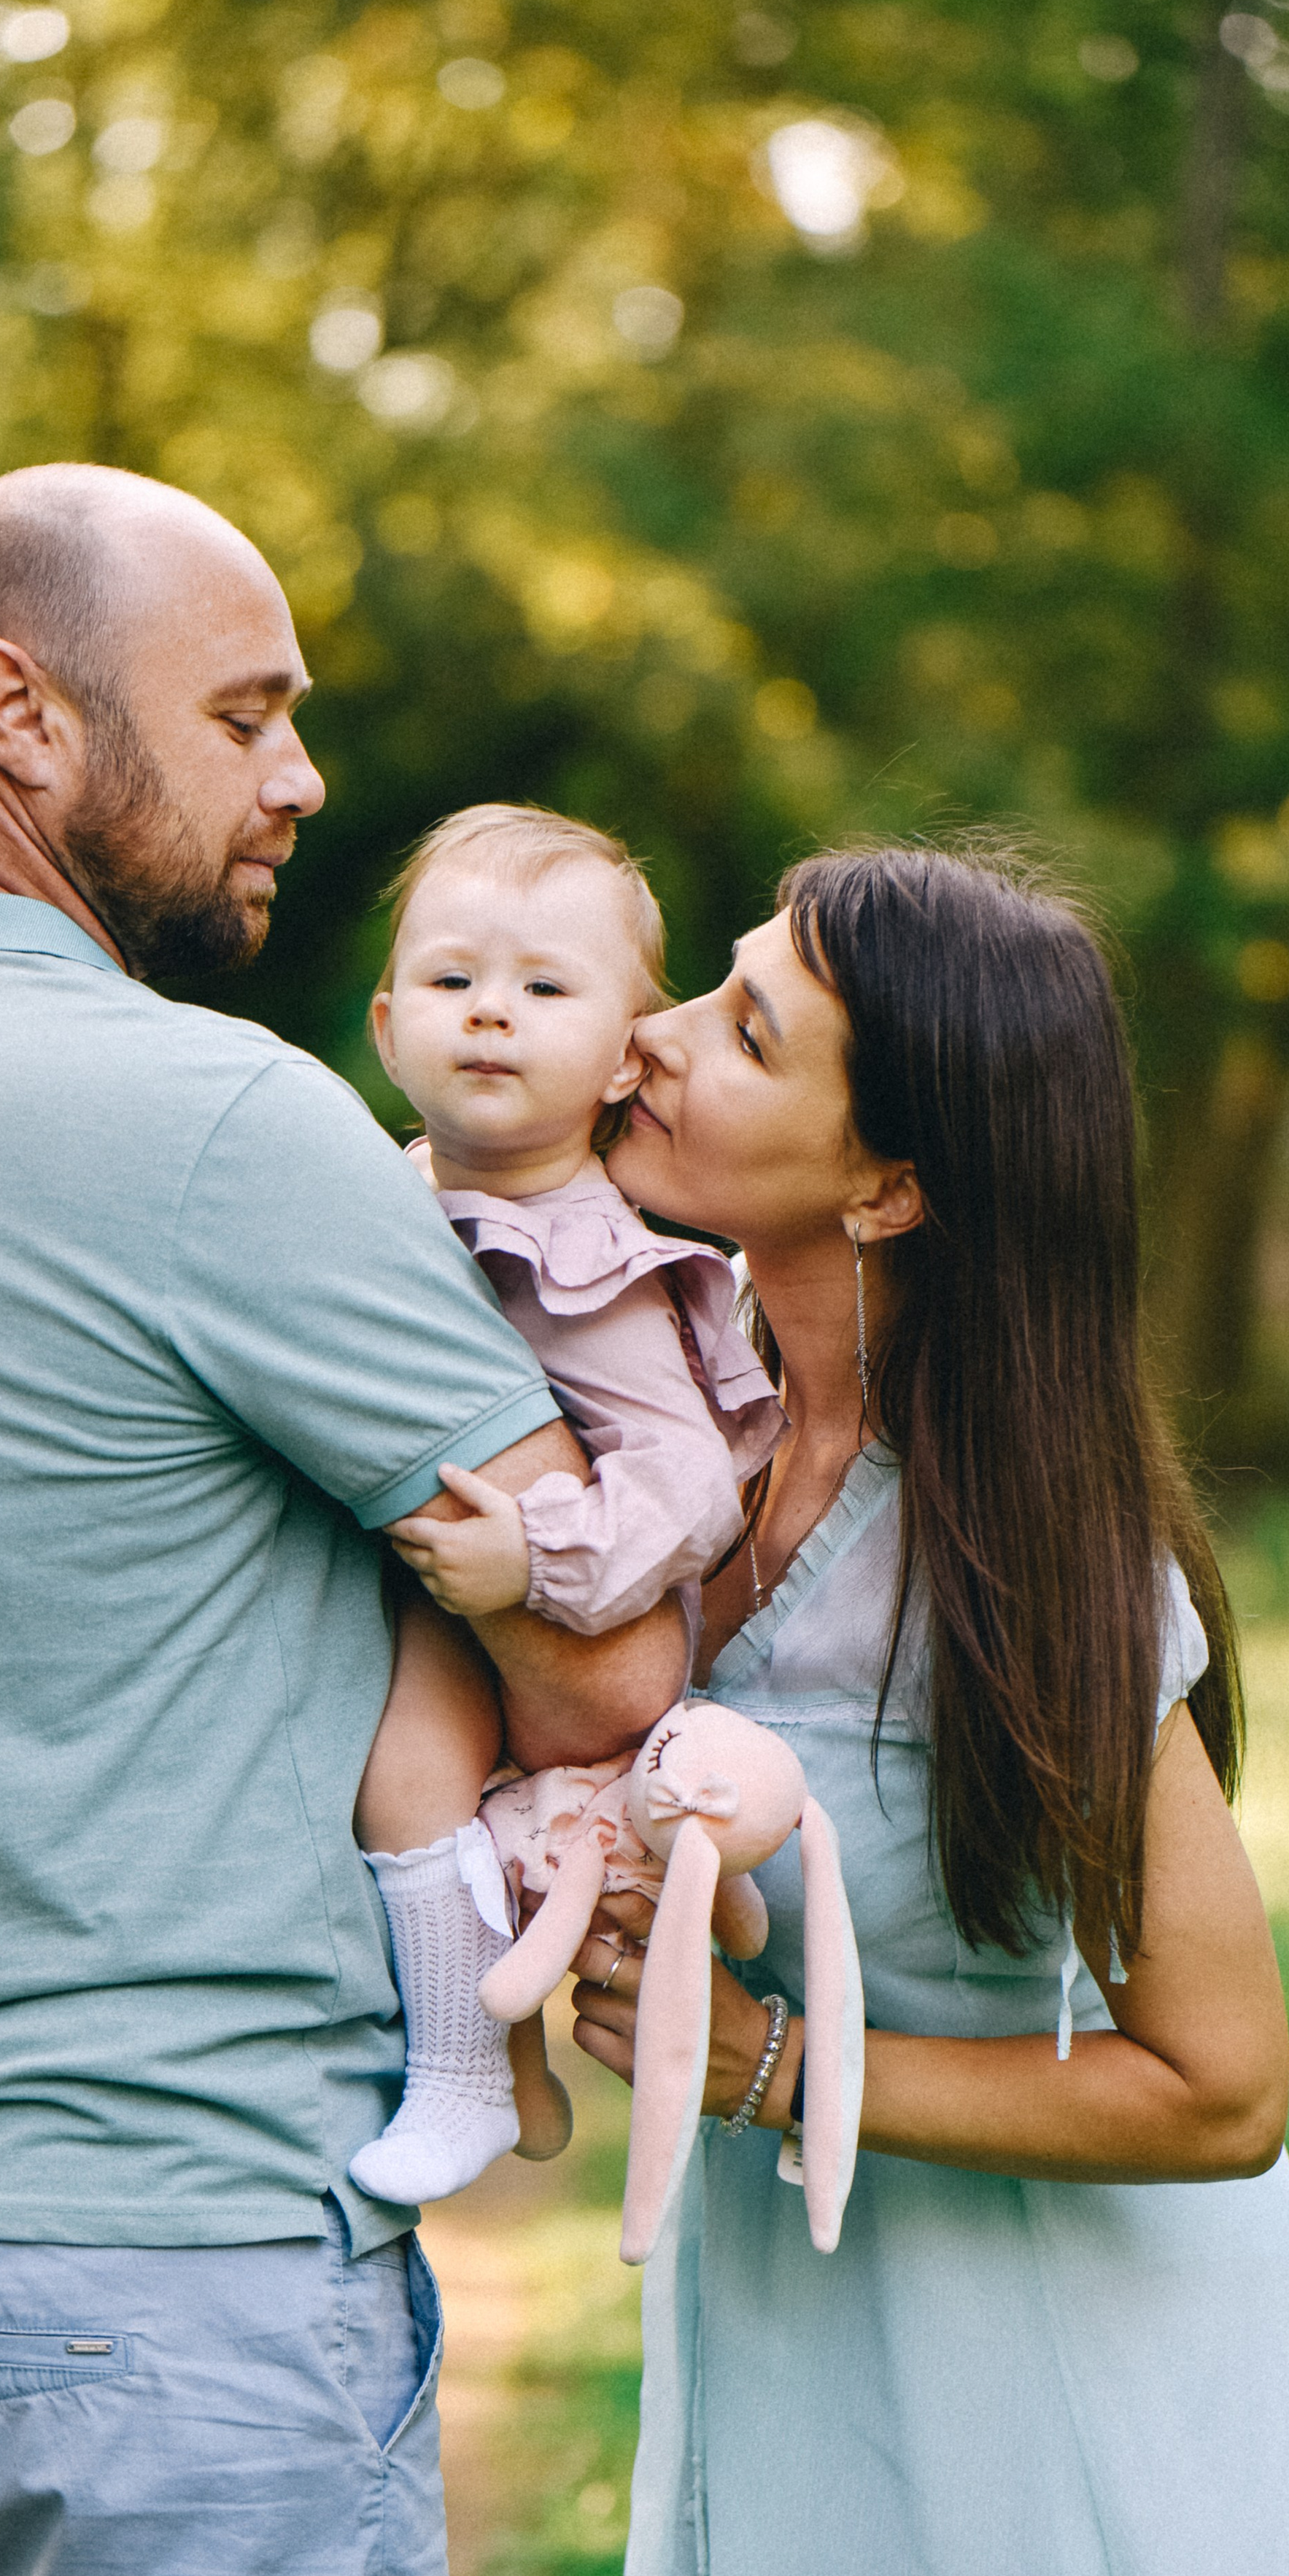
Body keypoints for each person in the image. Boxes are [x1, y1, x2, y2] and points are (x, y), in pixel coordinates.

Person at [0, 464, 686, 2576]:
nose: (304, 779)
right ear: (19, 716)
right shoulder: (221, 1126)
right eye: (248, 714)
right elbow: (608, 1641)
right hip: (166, 2291)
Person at [569, 846, 1289, 2576]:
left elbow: (1219, 2088)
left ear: (885, 1183)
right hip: (784, 2306)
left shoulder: (1033, 1575)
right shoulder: (670, 1439)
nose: (644, 1039)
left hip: (1030, 2361)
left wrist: (776, 2074)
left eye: (738, 1030)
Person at [348, 803, 785, 2208]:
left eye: (543, 989)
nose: (490, 1015)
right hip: (409, 1599)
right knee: (399, 1796)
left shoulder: (597, 1263)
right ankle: (504, 2074)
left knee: (409, 1780)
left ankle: (466, 2075)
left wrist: (535, 1555)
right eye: (452, 980)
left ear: (617, 1061)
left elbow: (690, 1484)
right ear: (383, 1025)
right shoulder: (365, 1199)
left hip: (543, 1623)